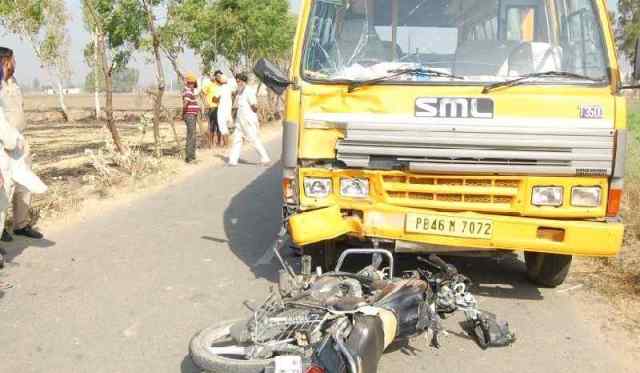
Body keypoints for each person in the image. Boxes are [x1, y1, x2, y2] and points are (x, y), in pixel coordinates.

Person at [0, 47, 43, 242]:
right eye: (13, 60)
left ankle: (21, 224)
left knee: (24, 185)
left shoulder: (14, 83)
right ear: (5, 61)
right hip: (4, 143)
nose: (16, 63)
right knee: (5, 187)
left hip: (20, 141)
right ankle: (1, 230)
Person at [227, 73, 270, 167]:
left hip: (248, 120)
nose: (238, 83)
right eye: (237, 81)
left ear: (243, 81)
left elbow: (254, 106)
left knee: (253, 139)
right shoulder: (239, 93)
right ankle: (233, 160)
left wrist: (253, 113)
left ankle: (265, 158)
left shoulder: (249, 91)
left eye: (239, 81)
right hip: (240, 121)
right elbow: (236, 107)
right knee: (237, 139)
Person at [201, 70, 225, 148]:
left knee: (220, 126)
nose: (218, 77)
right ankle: (210, 144)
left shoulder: (221, 85)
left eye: (220, 76)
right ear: (215, 76)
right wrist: (206, 104)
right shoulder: (209, 84)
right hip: (212, 108)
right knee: (212, 126)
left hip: (220, 108)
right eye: (217, 76)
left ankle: (218, 142)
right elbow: (203, 93)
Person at [182, 72, 200, 163]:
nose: (193, 85)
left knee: (192, 135)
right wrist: (184, 111)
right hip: (190, 115)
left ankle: (192, 156)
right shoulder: (188, 91)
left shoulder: (188, 91)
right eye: (192, 83)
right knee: (191, 135)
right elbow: (185, 103)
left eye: (193, 83)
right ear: (189, 83)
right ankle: (189, 157)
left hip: (191, 115)